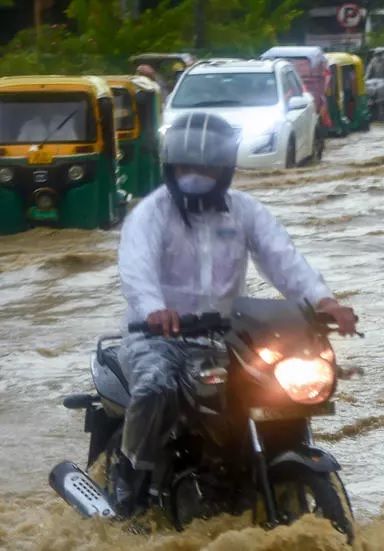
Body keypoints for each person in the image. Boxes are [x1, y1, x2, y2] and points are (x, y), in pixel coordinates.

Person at [113, 112, 357, 517]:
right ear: (171, 167)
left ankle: (252, 468)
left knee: (271, 389)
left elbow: (285, 261)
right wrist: (155, 311)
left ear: (226, 168)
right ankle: (131, 474)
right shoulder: (150, 213)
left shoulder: (245, 211)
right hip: (156, 336)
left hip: (224, 334)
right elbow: (135, 270)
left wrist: (324, 302)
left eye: (207, 165)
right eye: (187, 166)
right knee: (156, 387)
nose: (197, 174)